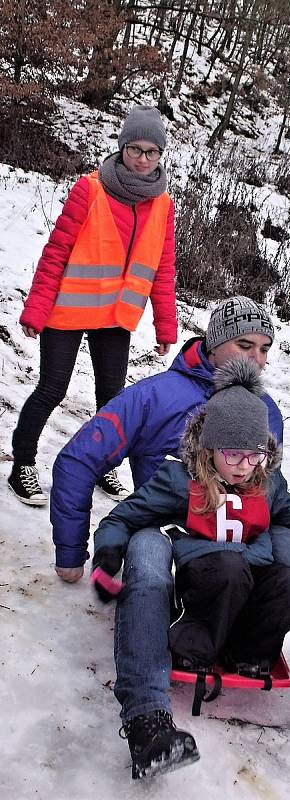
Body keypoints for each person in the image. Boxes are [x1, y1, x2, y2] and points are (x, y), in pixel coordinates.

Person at [51, 295, 290, 771]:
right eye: (244, 345)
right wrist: (73, 550)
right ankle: (147, 718)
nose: (256, 359)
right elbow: (78, 459)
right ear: (216, 344)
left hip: (233, 546)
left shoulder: (266, 411)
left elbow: (268, 493)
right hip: (170, 528)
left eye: (264, 349)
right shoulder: (153, 395)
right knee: (147, 549)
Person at [91, 359, 290, 776]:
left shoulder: (266, 485)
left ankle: (248, 654)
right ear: (208, 448)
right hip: (205, 590)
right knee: (229, 569)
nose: (242, 465)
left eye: (253, 455)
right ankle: (188, 653)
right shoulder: (183, 480)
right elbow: (123, 517)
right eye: (232, 453)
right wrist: (109, 555)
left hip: (248, 593)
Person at [8, 105, 177, 507]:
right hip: (67, 312)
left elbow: (163, 269)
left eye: (151, 152)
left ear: (160, 155)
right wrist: (36, 308)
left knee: (112, 399)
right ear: (121, 148)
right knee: (52, 388)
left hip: (116, 318)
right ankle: (23, 465)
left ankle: (103, 465)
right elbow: (56, 253)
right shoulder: (91, 189)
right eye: (135, 149)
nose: (142, 158)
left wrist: (165, 327)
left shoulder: (163, 205)